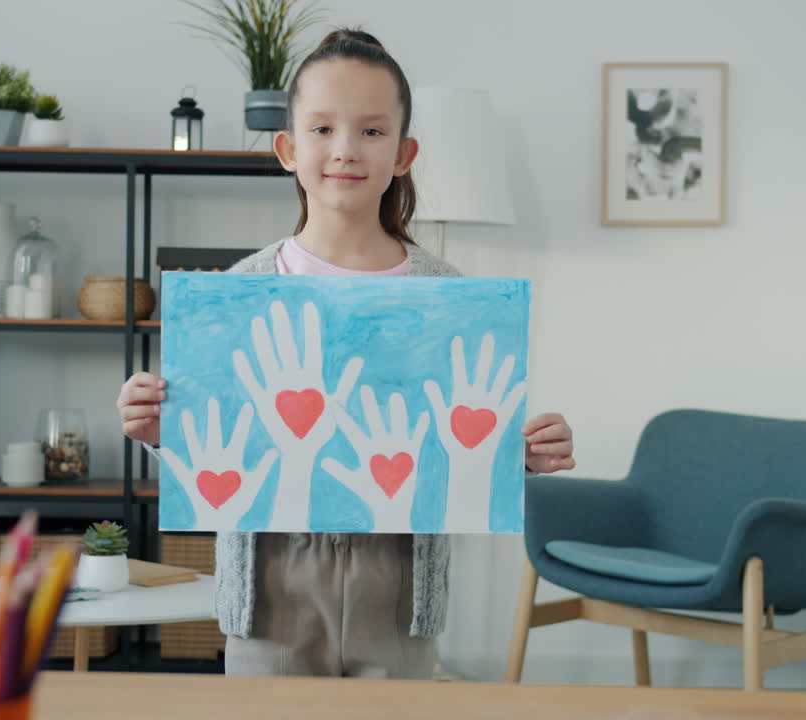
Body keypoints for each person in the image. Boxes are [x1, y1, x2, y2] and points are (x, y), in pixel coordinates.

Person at [115, 28, 575, 679]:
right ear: (287, 148)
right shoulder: (237, 291)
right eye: (323, 128)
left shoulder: (445, 295)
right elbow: (219, 442)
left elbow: (457, 442)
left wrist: (519, 452)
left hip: (398, 587)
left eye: (371, 131)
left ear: (405, 152)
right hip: (270, 587)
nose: (345, 151)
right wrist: (162, 428)